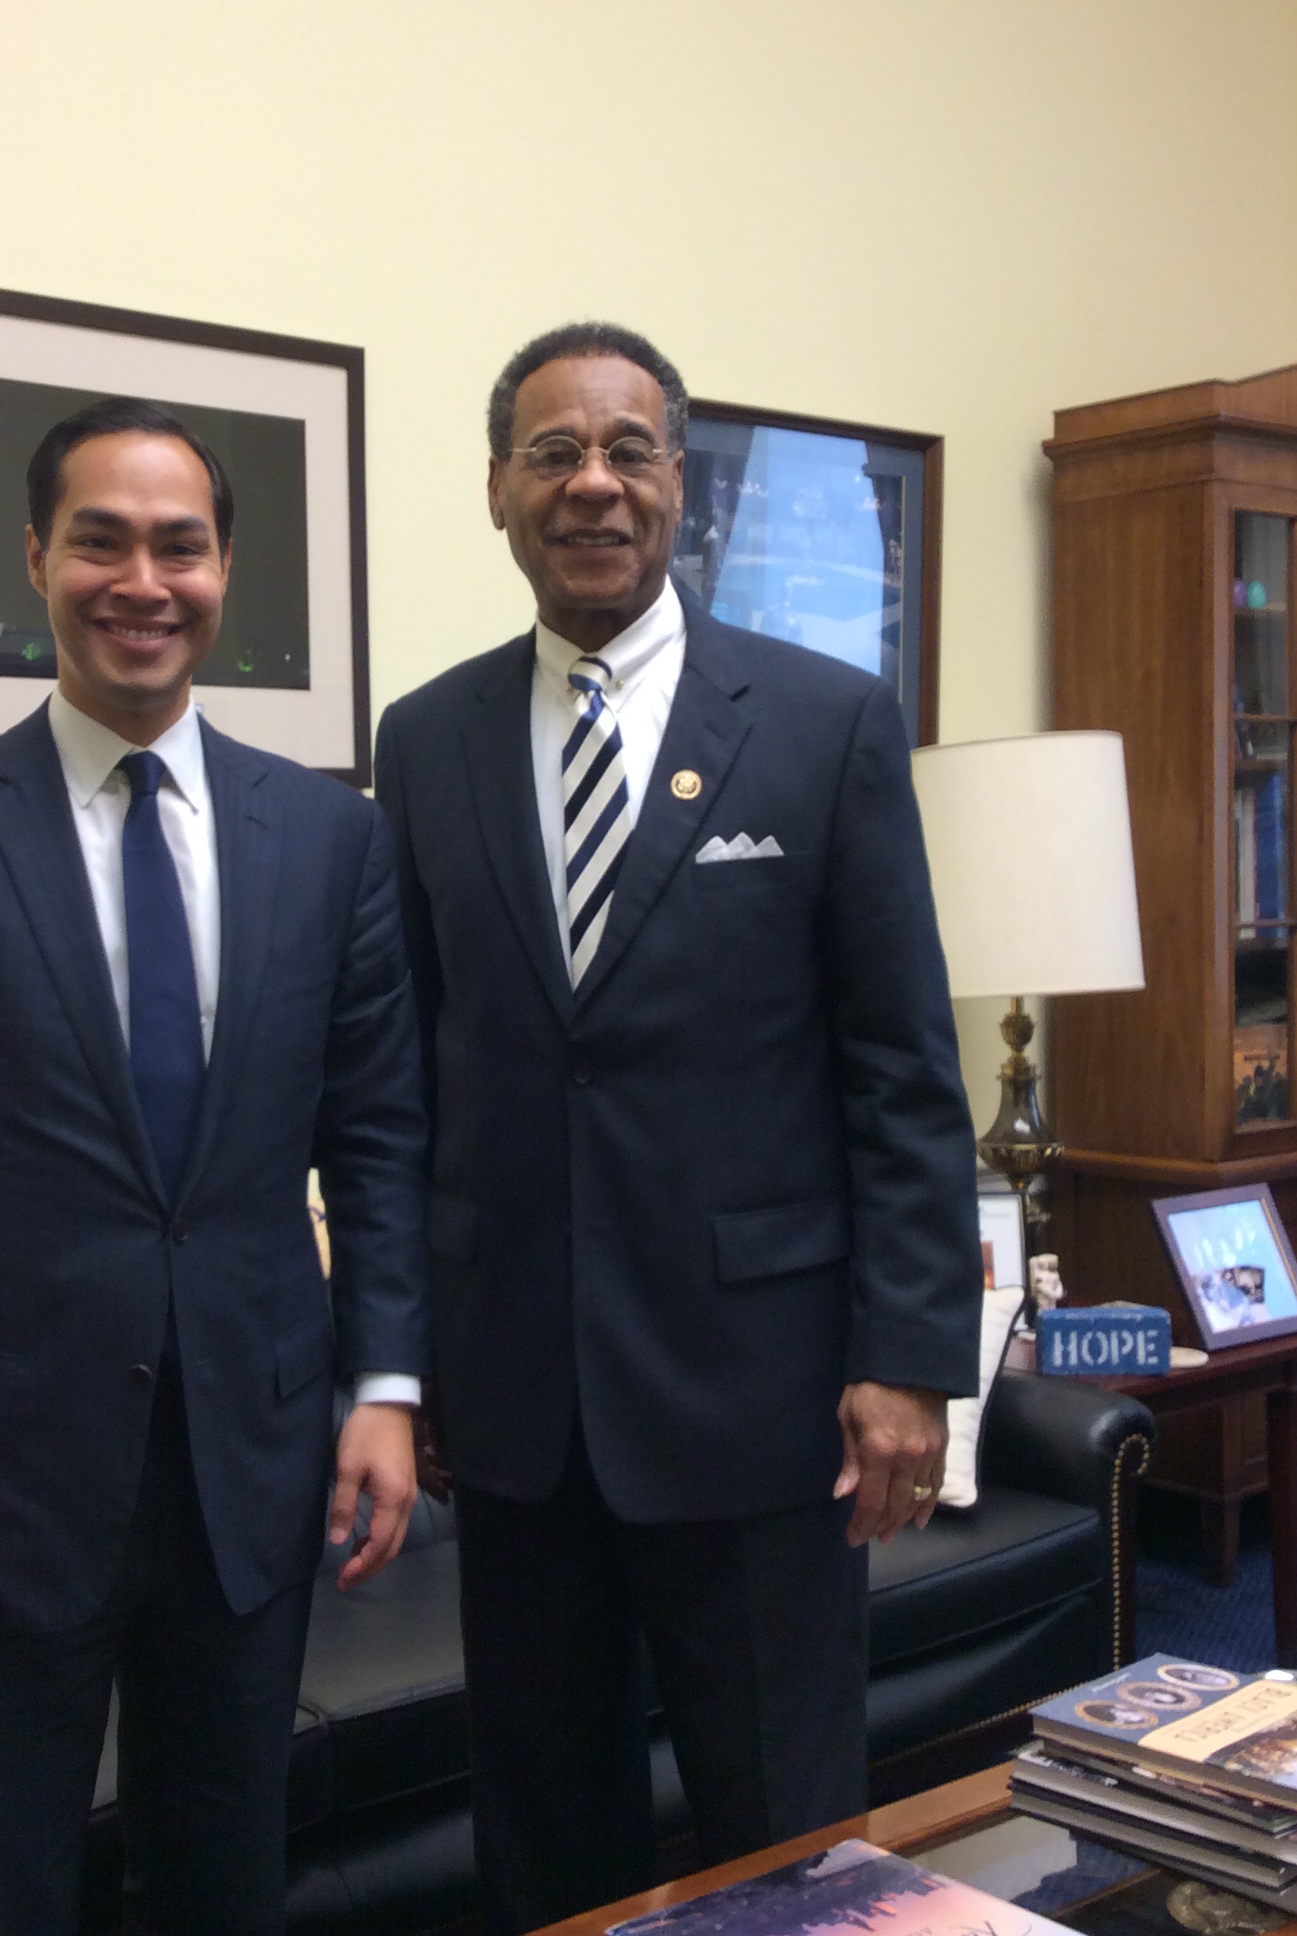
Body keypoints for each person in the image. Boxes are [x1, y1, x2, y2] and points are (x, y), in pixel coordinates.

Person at [0, 397, 430, 1936]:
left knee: (224, 1886)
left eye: (181, 546)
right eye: (103, 540)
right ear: (37, 557)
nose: (144, 580)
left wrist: (388, 1388)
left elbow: (383, 1138)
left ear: (224, 573)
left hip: (253, 1472)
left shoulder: (331, 840)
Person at [374, 323, 981, 1932]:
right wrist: (408, 1352)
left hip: (761, 1399)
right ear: (497, 491)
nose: (591, 484)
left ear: (678, 488)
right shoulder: (422, 743)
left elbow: (903, 1070)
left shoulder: (824, 725)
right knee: (548, 1835)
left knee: (789, 1844)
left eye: (627, 451)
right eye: (551, 453)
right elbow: (414, 1082)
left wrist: (910, 1352)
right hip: (514, 1412)